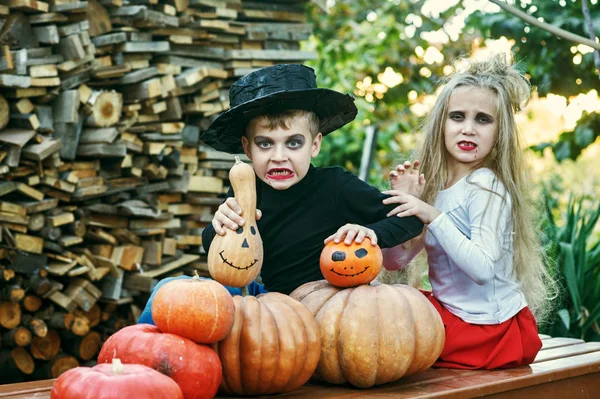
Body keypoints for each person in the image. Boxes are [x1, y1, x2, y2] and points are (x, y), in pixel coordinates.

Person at [137, 64, 423, 324]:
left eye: (293, 143)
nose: (279, 156)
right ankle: (145, 365)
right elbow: (220, 254)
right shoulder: (248, 190)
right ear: (247, 149)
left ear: (314, 145)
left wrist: (371, 232)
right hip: (269, 302)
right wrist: (218, 226)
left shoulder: (336, 185)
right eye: (265, 144)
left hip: (326, 307)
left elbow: (409, 220)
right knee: (168, 290)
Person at [381, 53, 555, 370]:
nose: (469, 129)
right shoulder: (435, 187)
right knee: (384, 307)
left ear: (500, 132)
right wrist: (403, 210)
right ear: (441, 124)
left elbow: (482, 269)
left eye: (483, 119)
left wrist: (430, 214)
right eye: (458, 117)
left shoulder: (486, 186)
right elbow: (396, 260)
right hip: (454, 318)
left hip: (489, 332)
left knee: (391, 335)